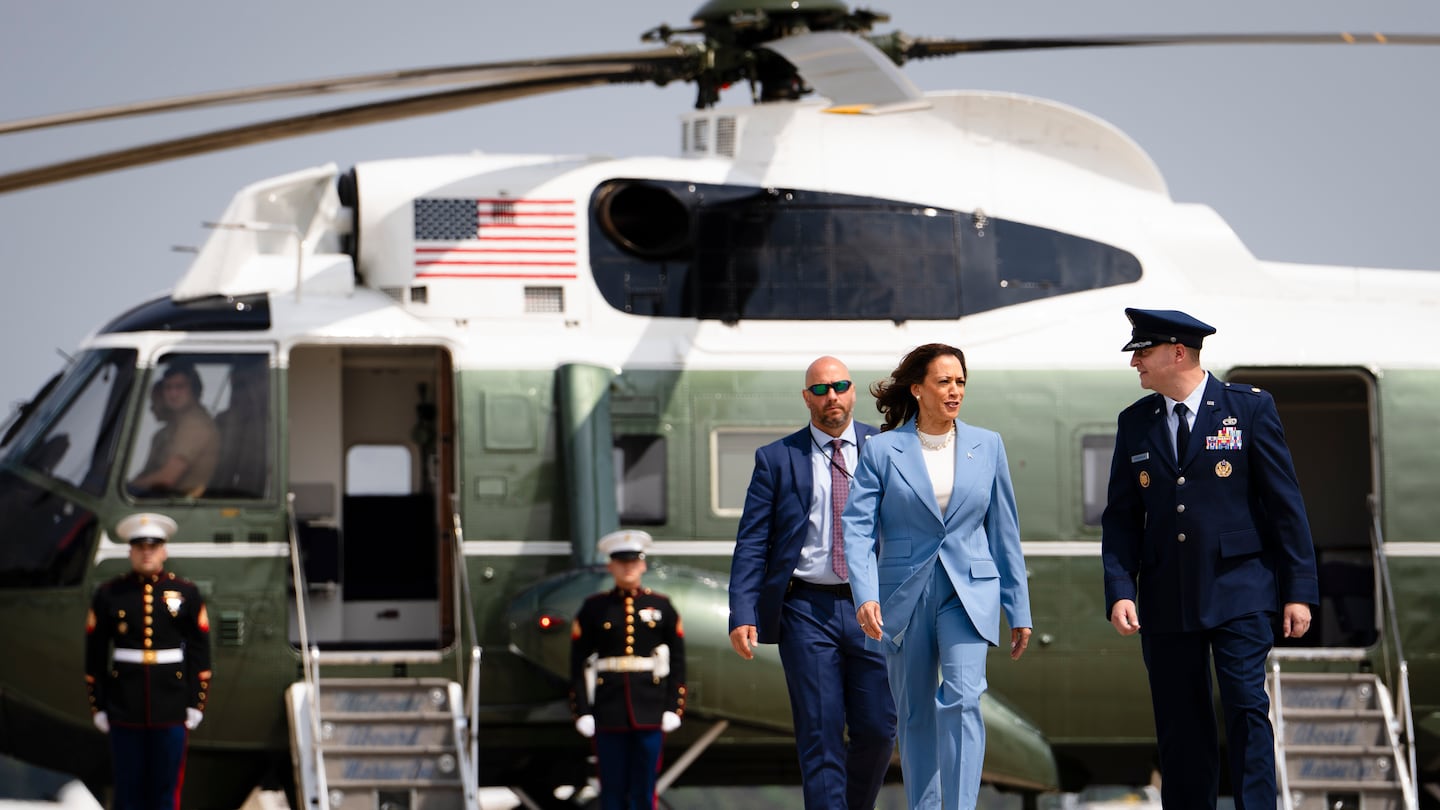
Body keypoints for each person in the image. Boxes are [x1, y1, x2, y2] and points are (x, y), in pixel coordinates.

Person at [1101, 308, 1318, 810]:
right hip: (1166, 595)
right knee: (1181, 721)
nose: (1135, 363)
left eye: (1143, 352)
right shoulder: (1135, 423)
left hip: (1240, 588)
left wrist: (1299, 592)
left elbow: (1285, 506)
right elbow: (1122, 519)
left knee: (1246, 709)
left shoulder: (1248, 410)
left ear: (1178, 353)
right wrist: (1119, 589)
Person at [844, 343, 1032, 810]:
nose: (955, 391)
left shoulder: (987, 445)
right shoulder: (883, 450)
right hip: (903, 595)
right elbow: (858, 527)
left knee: (965, 699)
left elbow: (1004, 531)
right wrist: (865, 594)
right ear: (918, 389)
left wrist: (1018, 608)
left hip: (969, 591)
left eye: (961, 382)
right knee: (915, 714)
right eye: (944, 382)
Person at [728, 355, 896, 810]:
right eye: (820, 390)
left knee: (880, 729)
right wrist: (742, 612)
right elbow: (752, 543)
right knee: (820, 731)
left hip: (873, 609)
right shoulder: (777, 459)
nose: (832, 397)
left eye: (839, 386)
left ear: (853, 391)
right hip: (806, 609)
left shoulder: (887, 448)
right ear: (807, 398)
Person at [85, 513, 213, 810]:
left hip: (170, 705)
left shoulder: (186, 593)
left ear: (164, 550)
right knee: (127, 789)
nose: (146, 552)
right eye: (140, 546)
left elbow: (199, 652)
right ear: (130, 551)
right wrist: (99, 705)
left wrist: (196, 702)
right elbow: (94, 654)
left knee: (165, 790)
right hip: (124, 706)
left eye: (153, 546)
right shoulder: (109, 594)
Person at [570, 529, 687, 810]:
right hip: (609, 711)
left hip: (650, 709)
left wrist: (674, 706)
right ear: (610, 566)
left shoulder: (661, 606)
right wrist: (583, 711)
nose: (628, 568)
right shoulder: (594, 608)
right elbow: (577, 662)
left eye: (634, 562)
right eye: (621, 562)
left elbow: (679, 661)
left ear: (643, 565)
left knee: (644, 790)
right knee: (611, 789)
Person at [129, 364, 220, 497]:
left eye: (180, 387)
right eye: (168, 387)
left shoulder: (195, 425)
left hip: (181, 505)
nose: (173, 394)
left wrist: (129, 487)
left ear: (194, 391)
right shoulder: (177, 426)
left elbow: (167, 478)